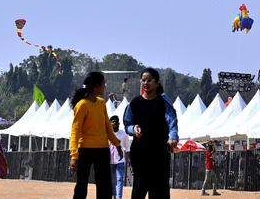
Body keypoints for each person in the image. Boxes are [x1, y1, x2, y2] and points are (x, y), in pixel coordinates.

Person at [123, 67, 180, 199]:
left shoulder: (163, 102)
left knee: (160, 190)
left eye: (149, 80)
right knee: (139, 188)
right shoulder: (134, 103)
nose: (146, 83)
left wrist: (173, 137)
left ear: (157, 83)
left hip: (160, 153)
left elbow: (172, 122)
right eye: (143, 80)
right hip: (140, 154)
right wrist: (133, 129)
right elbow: (127, 125)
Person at [71, 71, 121, 199]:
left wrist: (117, 144)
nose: (105, 86)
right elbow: (75, 131)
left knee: (104, 185)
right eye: (103, 84)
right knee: (82, 185)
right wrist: (74, 156)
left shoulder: (101, 103)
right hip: (85, 150)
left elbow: (107, 126)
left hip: (102, 149)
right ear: (96, 86)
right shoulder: (82, 105)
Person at [108, 116, 128, 199]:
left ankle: (118, 197)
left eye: (116, 121)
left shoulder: (123, 134)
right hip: (109, 162)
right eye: (113, 121)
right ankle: (113, 195)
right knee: (111, 181)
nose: (115, 123)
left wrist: (130, 160)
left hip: (120, 161)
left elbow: (127, 148)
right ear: (110, 123)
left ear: (119, 123)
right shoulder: (106, 133)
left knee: (119, 179)